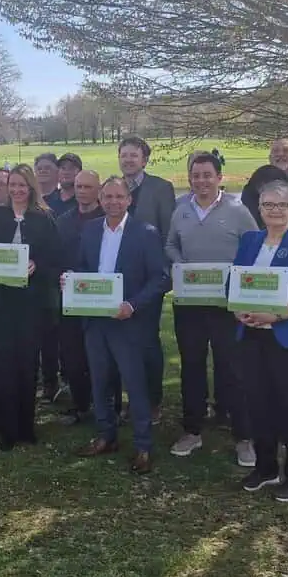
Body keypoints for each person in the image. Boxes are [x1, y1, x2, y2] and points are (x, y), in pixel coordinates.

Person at [231, 179, 288, 503]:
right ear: (259, 209)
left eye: (282, 205)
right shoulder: (249, 241)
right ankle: (266, 467)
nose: (275, 210)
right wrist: (239, 310)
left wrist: (278, 315)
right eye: (268, 205)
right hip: (252, 337)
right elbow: (237, 282)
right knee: (257, 404)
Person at [166, 152, 259, 466]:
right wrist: (180, 265)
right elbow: (170, 244)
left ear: (220, 178)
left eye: (208, 175)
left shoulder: (238, 210)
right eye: (196, 175)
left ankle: (244, 436)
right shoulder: (180, 209)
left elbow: (255, 248)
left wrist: (237, 278)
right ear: (189, 178)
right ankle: (192, 430)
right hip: (190, 303)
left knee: (232, 368)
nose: (201, 181)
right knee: (191, 366)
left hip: (227, 305)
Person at [74, 176, 170, 474]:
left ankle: (143, 446)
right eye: (108, 197)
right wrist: (72, 281)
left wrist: (133, 305)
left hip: (128, 322)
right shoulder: (90, 230)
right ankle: (106, 436)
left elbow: (162, 278)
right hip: (96, 321)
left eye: (119, 197)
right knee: (100, 381)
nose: (113, 202)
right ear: (100, 200)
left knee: (135, 385)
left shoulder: (145, 232)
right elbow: (83, 268)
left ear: (129, 200)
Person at [0, 164, 61, 451]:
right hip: (1, 302)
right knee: (3, 365)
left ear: (30, 188)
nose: (15, 190)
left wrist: (37, 265)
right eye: (11, 185)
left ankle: (27, 427)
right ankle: (7, 430)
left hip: (31, 303)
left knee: (27, 365)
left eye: (21, 185)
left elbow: (55, 261)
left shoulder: (45, 219)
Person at [117, 135, 176, 421]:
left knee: (149, 341)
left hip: (151, 278)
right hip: (121, 279)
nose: (128, 160)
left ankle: (153, 401)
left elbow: (169, 233)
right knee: (125, 343)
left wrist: (163, 274)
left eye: (133, 155)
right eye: (124, 155)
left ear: (144, 159)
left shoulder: (161, 188)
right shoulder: (114, 187)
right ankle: (132, 397)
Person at [54, 169, 104, 425]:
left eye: (87, 187)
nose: (82, 192)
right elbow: (54, 258)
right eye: (78, 187)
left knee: (102, 355)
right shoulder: (63, 220)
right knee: (72, 356)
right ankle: (80, 404)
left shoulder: (109, 219)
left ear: (99, 190)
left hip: (100, 297)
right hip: (69, 297)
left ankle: (108, 406)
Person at [44, 152, 80, 217]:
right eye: (63, 168)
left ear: (79, 172)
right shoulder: (46, 201)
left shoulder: (83, 201)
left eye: (71, 168)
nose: (66, 172)